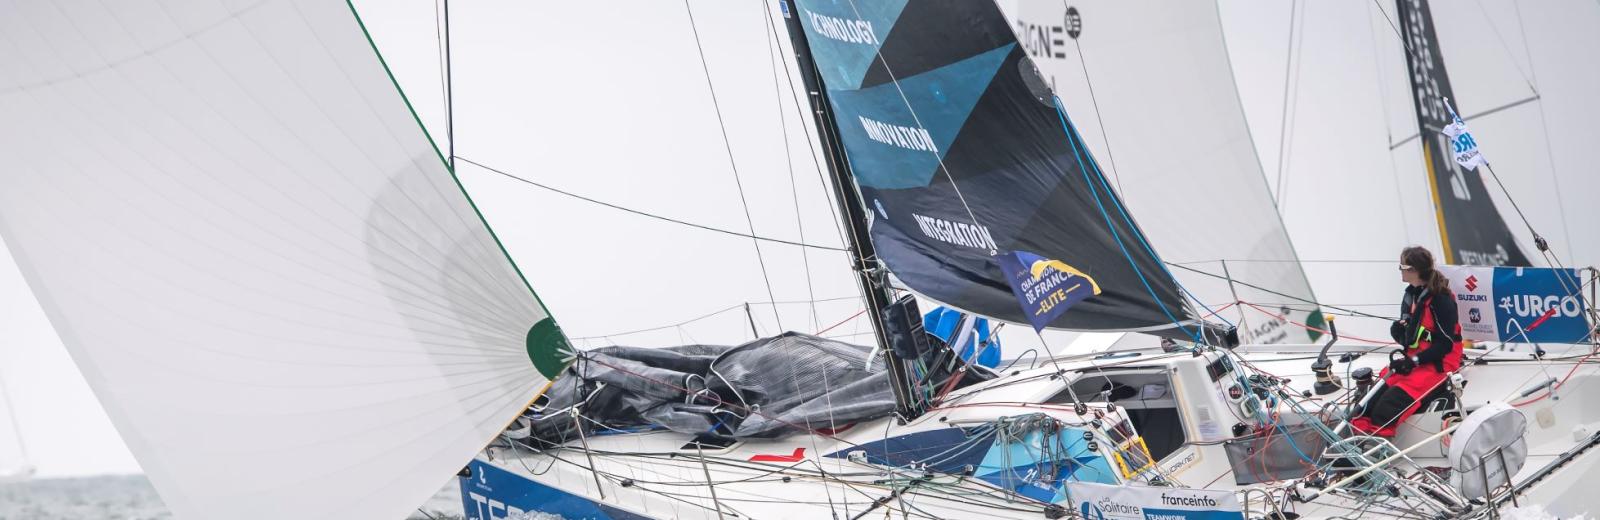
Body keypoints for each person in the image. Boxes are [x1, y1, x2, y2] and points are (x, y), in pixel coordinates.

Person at [1350, 246, 1464, 437]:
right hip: (1414, 360)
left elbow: (1445, 345)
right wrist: (1399, 332)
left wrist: (1414, 361)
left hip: (1439, 364)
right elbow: (1411, 339)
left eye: (1402, 267)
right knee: (1366, 404)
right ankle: (1354, 441)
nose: (1400, 271)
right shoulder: (1413, 295)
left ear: (1414, 270)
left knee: (1387, 407)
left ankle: (1376, 447)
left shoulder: (1441, 300)